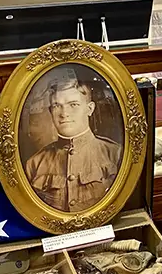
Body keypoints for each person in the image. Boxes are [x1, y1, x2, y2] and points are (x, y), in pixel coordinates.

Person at [23, 72, 122, 213]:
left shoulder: (115, 154)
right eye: (57, 105)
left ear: (90, 109)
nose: (64, 113)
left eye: (73, 104)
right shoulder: (34, 164)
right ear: (51, 111)